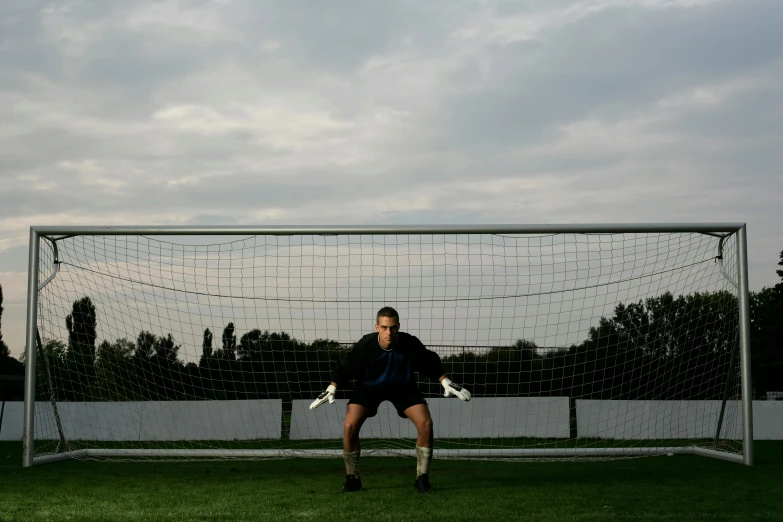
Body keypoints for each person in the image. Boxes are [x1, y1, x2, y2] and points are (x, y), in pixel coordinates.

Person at [309, 306, 472, 493]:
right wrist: (332, 386)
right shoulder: (366, 344)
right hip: (369, 388)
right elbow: (348, 365)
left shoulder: (409, 343)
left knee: (426, 423)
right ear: (377, 327)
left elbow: (428, 361)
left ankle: (422, 478)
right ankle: (352, 478)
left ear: (398, 327)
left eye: (393, 327)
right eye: (385, 327)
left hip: (403, 387)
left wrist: (445, 381)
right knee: (349, 426)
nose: (389, 332)